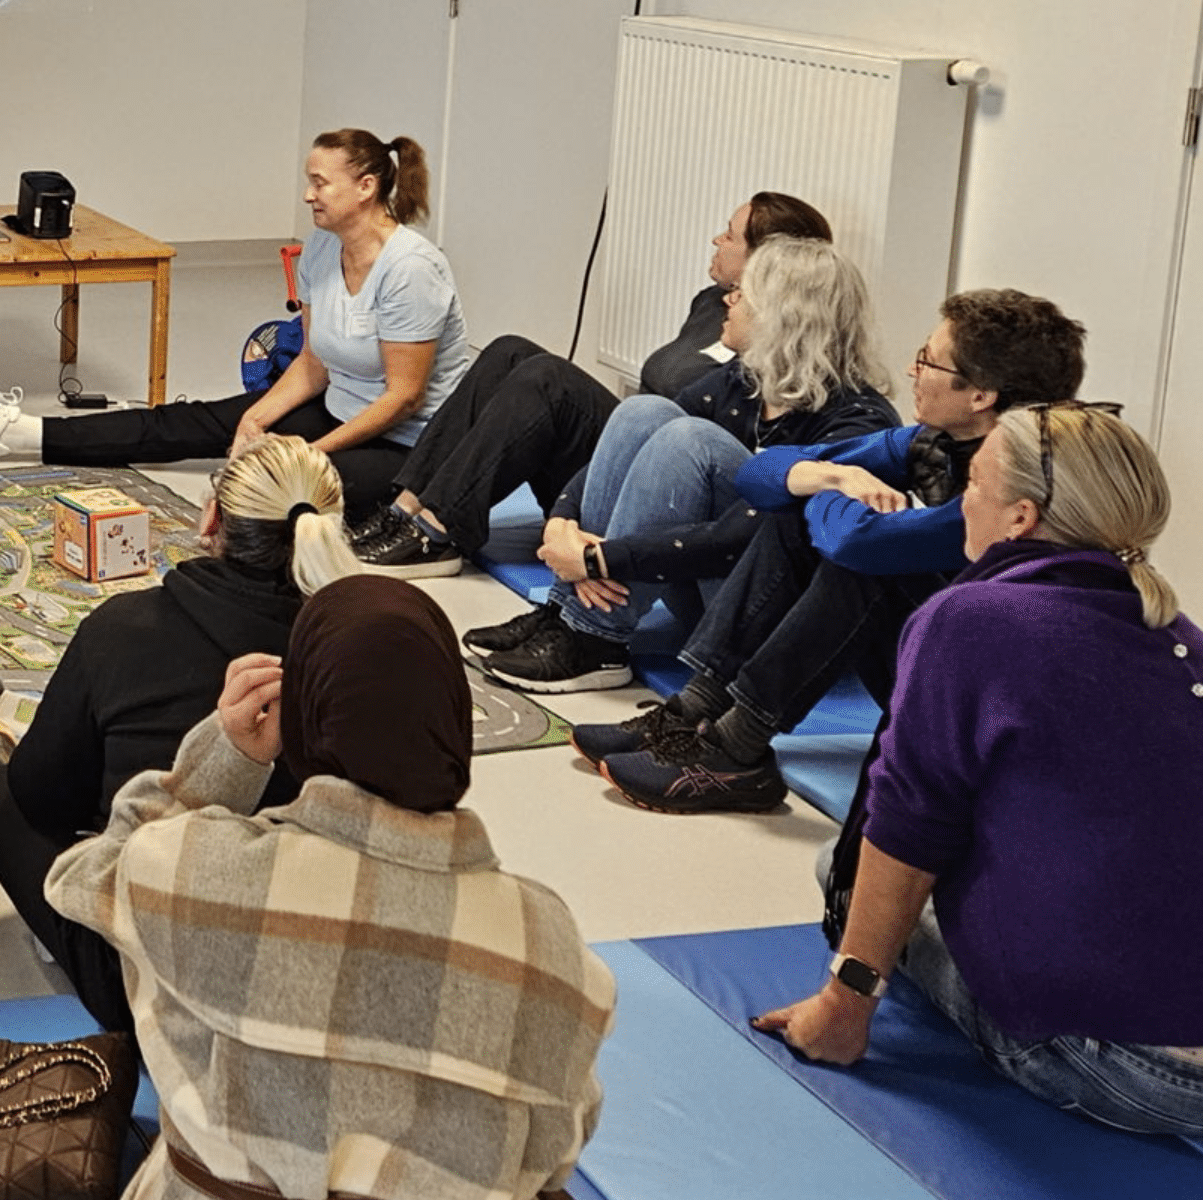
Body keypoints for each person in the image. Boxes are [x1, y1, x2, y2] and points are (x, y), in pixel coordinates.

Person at [45, 578, 668, 1200]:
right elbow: (550, 1155)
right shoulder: (541, 941)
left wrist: (221, 757)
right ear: (457, 725)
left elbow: (81, 875)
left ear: (302, 719)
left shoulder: (196, 870)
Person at [753, 405, 1203, 1134]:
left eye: (977, 483)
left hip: (1133, 1065)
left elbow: (907, 827)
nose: (963, 497)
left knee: (840, 874)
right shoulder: (1182, 638)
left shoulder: (971, 620)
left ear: (1021, 517)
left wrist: (846, 1002)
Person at [582, 288, 1087, 812]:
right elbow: (761, 475)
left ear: (980, 395)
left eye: (927, 360)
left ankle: (737, 748)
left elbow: (858, 544)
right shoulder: (930, 443)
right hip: (932, 663)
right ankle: (697, 709)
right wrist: (833, 476)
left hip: (975, 708)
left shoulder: (1010, 492)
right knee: (794, 511)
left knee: (865, 566)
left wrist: (822, 492)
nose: (913, 372)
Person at [0, 434, 360, 1034]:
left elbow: (40, 797)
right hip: (317, 963)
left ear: (211, 519)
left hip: (157, 983)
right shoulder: (368, 653)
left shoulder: (125, 630)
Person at [0, 130, 472, 520]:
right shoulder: (322, 245)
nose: (307, 195)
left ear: (366, 187)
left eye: (319, 183)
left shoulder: (410, 269)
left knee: (272, 485)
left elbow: (403, 398)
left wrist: (307, 453)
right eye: (309, 181)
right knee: (199, 421)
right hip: (339, 409)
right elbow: (314, 364)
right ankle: (15, 432)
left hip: (406, 448)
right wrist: (256, 420)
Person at [473, 236, 898, 694]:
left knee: (690, 439)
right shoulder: (744, 381)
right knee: (644, 412)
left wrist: (597, 559)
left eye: (743, 292)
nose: (727, 299)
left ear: (783, 317)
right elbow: (630, 443)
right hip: (699, 583)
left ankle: (594, 636)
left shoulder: (860, 424)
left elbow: (744, 536)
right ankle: (566, 613)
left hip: (774, 622)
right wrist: (562, 522)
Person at [354, 192, 834, 575]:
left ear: (765, 259)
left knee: (549, 380)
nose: (715, 241)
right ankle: (407, 507)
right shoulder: (713, 304)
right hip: (607, 463)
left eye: (729, 236)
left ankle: (439, 532)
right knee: (509, 351)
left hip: (657, 493)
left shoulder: (776, 342)